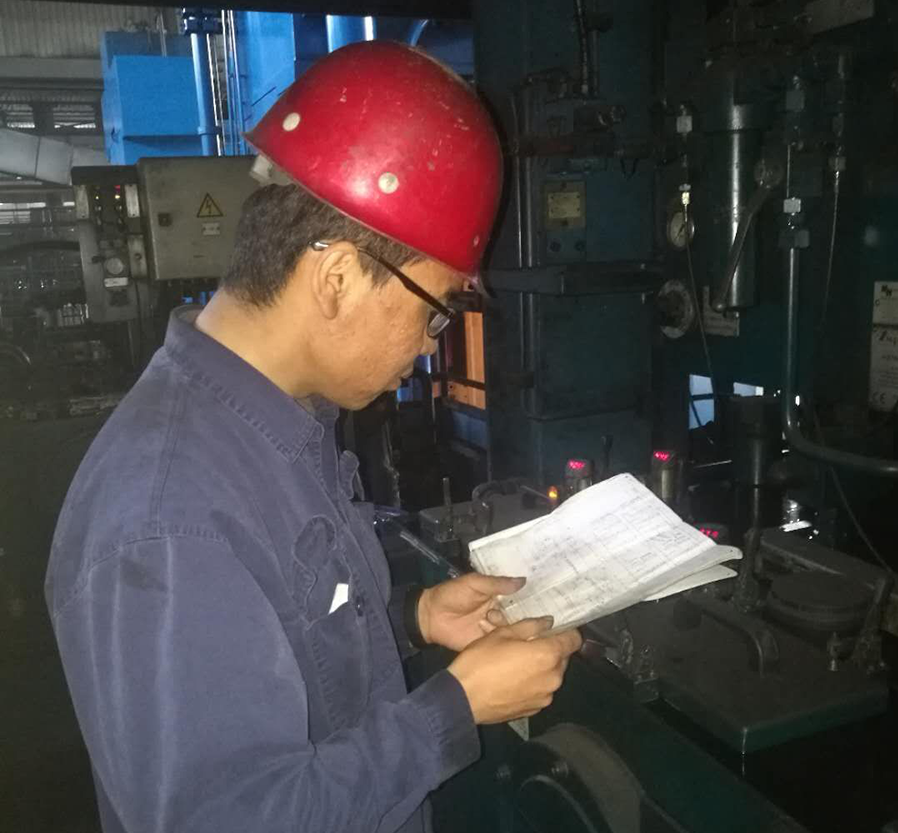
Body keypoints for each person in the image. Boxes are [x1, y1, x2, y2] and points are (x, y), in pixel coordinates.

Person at [45, 41, 582, 833]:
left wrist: (412, 617)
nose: (428, 343)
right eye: (434, 311)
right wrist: (456, 706)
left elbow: (276, 638)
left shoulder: (275, 424)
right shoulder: (167, 519)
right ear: (337, 278)